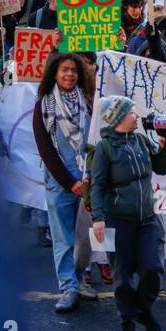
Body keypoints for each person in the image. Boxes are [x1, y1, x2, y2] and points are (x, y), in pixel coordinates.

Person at [90, 95, 166, 331]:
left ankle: (143, 310)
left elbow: (162, 168)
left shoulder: (140, 140)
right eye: (132, 113)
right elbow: (97, 186)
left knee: (153, 268)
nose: (137, 116)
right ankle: (127, 318)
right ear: (117, 118)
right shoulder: (103, 149)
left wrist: (165, 147)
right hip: (118, 219)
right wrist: (98, 218)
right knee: (122, 274)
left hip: (148, 217)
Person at [32, 52, 98, 313]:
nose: (69, 75)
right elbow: (46, 150)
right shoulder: (43, 105)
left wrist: (90, 178)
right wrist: (70, 182)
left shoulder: (91, 102)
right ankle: (68, 286)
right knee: (63, 237)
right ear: (54, 74)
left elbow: (96, 140)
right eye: (64, 70)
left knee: (84, 237)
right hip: (60, 180)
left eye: (74, 70)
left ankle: (80, 280)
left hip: (88, 179)